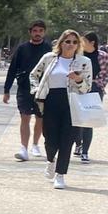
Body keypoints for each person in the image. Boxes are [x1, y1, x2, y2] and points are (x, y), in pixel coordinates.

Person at [29, 29, 93, 189]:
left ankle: (60, 174)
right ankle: (51, 160)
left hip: (73, 103)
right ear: (61, 42)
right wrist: (36, 90)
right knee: (50, 139)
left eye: (74, 42)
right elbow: (33, 75)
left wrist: (78, 79)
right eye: (67, 41)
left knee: (67, 140)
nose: (71, 45)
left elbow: (87, 88)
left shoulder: (84, 61)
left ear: (78, 44)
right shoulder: (49, 58)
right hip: (51, 101)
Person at [3, 21, 50, 161]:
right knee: (25, 116)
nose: (38, 33)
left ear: (44, 32)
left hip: (42, 89)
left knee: (40, 118)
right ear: (30, 32)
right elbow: (12, 69)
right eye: (35, 30)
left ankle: (35, 144)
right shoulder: (22, 48)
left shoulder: (49, 49)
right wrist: (7, 89)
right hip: (24, 88)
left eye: (41, 30)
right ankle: (23, 148)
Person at [74, 32, 106, 163]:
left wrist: (98, 85)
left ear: (92, 42)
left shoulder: (103, 56)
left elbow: (105, 74)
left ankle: (85, 152)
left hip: (94, 89)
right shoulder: (78, 56)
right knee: (77, 119)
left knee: (89, 121)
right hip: (78, 88)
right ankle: (78, 143)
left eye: (84, 41)